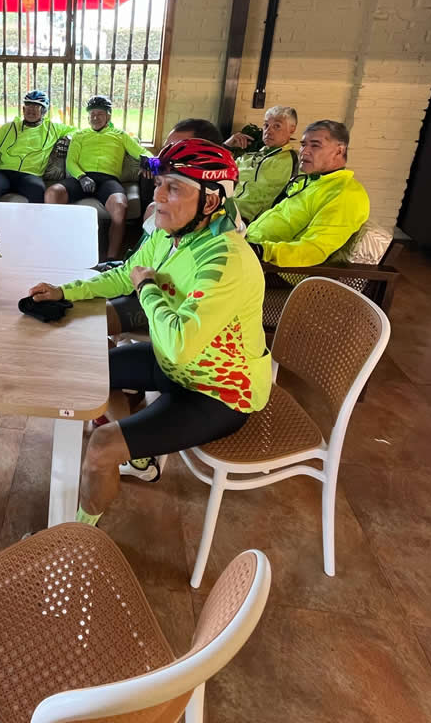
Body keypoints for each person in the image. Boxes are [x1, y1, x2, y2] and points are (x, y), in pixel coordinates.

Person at [28, 139, 270, 523]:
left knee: (101, 447)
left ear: (210, 201)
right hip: (173, 366)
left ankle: (76, 537)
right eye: (159, 184)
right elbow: (126, 274)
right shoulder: (169, 233)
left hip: (218, 392)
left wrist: (147, 289)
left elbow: (177, 344)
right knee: (90, 372)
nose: (157, 196)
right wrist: (65, 291)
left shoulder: (226, 259)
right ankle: (139, 457)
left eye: (173, 188)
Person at [111, 118, 226, 337]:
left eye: (178, 150)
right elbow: (136, 266)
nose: (167, 157)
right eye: (166, 150)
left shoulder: (221, 245)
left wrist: (144, 286)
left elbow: (182, 337)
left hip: (161, 301)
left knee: (91, 320)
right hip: (140, 277)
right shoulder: (171, 215)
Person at [246, 119, 370, 267]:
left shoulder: (346, 193)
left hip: (273, 267)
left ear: (339, 150)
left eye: (315, 145)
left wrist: (261, 251)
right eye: (303, 144)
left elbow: (313, 250)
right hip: (250, 246)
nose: (304, 151)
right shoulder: (314, 180)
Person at [45, 95, 151, 259]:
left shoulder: (120, 135)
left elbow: (143, 153)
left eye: (100, 114)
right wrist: (82, 177)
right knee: (52, 193)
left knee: (120, 205)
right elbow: (71, 162)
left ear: (108, 116)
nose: (95, 118)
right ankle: (58, 248)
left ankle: (111, 259)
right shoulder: (79, 135)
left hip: (108, 180)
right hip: (81, 178)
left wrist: (150, 162)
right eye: (92, 114)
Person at [0, 89, 73, 203]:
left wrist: (68, 138)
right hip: (3, 172)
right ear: (23, 109)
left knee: (37, 190)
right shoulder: (8, 127)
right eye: (28, 105)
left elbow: (77, 131)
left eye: (36, 106)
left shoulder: (53, 128)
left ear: (44, 111)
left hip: (30, 174)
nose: (31, 109)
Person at [224, 105, 299, 221]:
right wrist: (226, 147)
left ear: (292, 129)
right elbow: (218, 174)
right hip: (224, 214)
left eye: (277, 126)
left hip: (247, 222)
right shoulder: (250, 156)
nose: (268, 130)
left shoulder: (292, 160)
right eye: (266, 125)